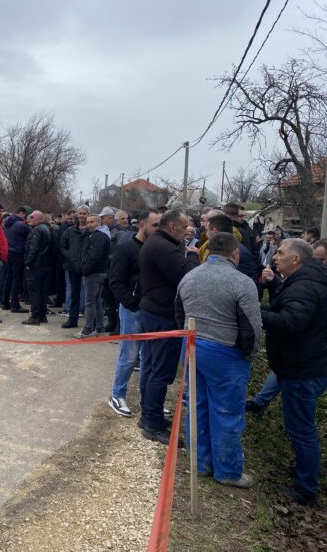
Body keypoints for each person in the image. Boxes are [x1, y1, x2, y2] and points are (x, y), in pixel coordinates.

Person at [175, 233, 262, 488]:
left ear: (207, 250)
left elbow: (178, 312)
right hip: (225, 352)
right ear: (235, 253)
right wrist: (249, 354)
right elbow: (252, 327)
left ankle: (200, 463)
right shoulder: (241, 282)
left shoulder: (190, 276)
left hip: (192, 346)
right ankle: (228, 470)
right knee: (226, 411)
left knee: (197, 405)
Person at [260, 238, 327, 505]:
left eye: (280, 252)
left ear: (296, 259)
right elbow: (288, 308)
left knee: (301, 429)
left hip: (302, 369)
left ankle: (306, 487)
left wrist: (256, 313)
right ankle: (304, 470)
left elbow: (291, 321)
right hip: (308, 363)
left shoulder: (305, 286)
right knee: (301, 427)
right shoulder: (305, 280)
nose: (275, 256)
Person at [138, 210, 200, 444]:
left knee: (151, 366)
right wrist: (192, 255)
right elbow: (187, 276)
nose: (187, 232)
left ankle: (149, 414)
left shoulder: (158, 242)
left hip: (153, 310)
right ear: (172, 226)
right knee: (161, 371)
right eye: (184, 228)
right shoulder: (163, 247)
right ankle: (152, 423)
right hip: (161, 314)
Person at [107, 209, 161, 416]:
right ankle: (117, 394)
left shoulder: (158, 249)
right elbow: (115, 281)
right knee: (129, 356)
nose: (159, 229)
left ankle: (147, 398)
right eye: (155, 225)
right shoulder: (126, 248)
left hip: (153, 310)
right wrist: (132, 303)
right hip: (134, 310)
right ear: (142, 225)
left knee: (148, 358)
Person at [77, 213, 110, 337]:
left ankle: (88, 329)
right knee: (96, 302)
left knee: (90, 302)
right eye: (88, 222)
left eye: (92, 222)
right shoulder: (99, 235)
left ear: (99, 223)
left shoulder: (99, 236)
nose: (89, 224)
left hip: (94, 273)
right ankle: (99, 329)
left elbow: (94, 256)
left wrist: (85, 269)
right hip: (98, 272)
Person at [60, 205, 89, 328]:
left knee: (89, 295)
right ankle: (72, 319)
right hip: (72, 266)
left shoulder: (91, 231)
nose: (82, 216)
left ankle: (90, 322)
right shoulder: (70, 230)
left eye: (84, 213)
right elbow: (62, 246)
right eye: (80, 213)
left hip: (88, 266)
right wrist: (70, 255)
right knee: (74, 294)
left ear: (88, 215)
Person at [22, 210, 52, 325]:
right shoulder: (46, 229)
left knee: (34, 291)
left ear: (39, 218)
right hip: (44, 265)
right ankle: (42, 315)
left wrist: (28, 263)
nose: (29, 219)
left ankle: (35, 316)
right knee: (42, 291)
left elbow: (33, 248)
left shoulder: (37, 230)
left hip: (36, 265)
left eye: (32, 217)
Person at [2, 206, 31, 313]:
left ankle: (5, 303)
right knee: (16, 280)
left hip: (8, 253)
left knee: (8, 278)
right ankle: (15, 305)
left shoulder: (6, 223)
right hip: (18, 254)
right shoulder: (20, 225)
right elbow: (30, 235)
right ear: (22, 213)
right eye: (25, 215)